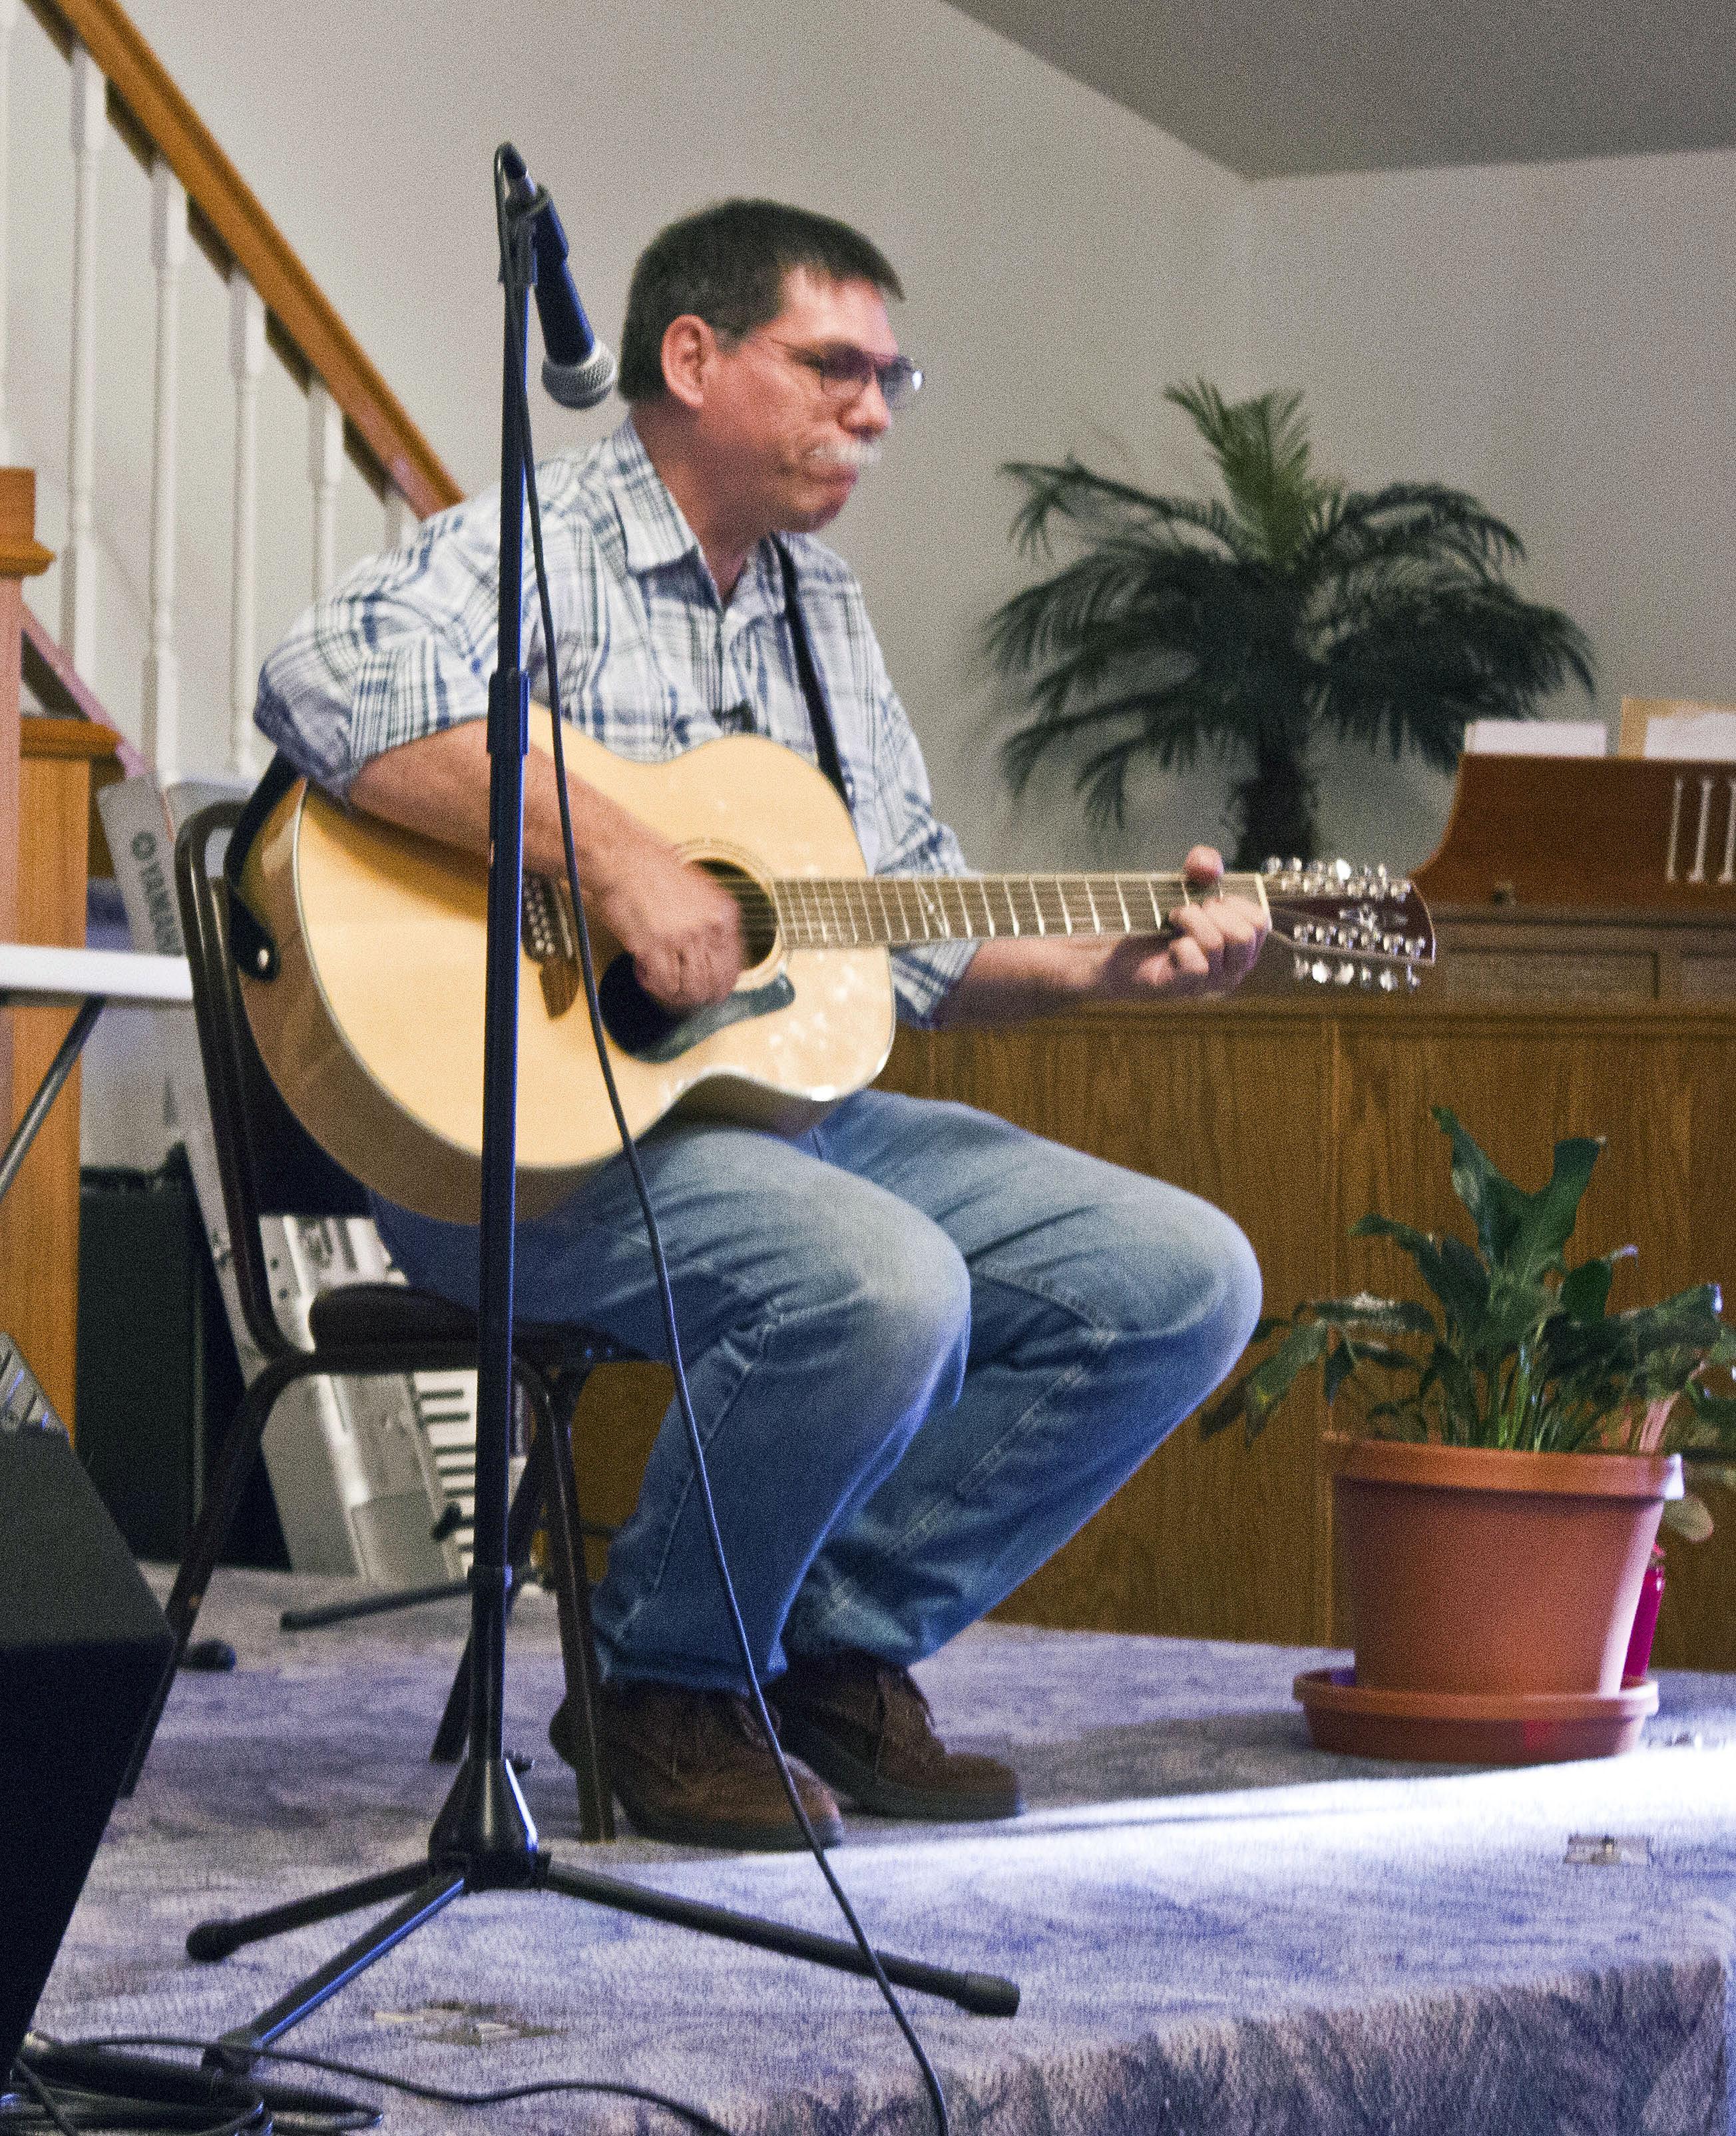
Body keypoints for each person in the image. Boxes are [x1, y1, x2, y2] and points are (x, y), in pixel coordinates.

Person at [256, 199, 1267, 1852]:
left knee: (1179, 1278)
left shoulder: (818, 606)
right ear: (690, 357)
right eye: (831, 367)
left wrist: (1109, 965)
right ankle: (663, 1681)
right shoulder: (542, 541)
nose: (871, 411)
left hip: (771, 1124)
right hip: (516, 1136)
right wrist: (614, 855)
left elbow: (909, 919)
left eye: (889, 379)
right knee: (883, 1280)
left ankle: (824, 1646)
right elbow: (318, 680)